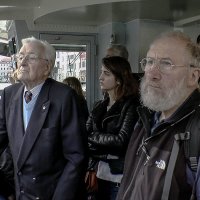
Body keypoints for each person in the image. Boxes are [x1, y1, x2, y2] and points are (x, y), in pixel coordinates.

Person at [116, 31, 200, 200]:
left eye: (166, 64)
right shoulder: (144, 120)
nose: (152, 74)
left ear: (193, 76)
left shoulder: (195, 131)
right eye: (149, 62)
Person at [0, 37, 86, 200]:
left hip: (52, 194)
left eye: (31, 57)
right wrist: (6, 189)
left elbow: (76, 157)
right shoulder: (8, 95)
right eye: (20, 56)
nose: (23, 62)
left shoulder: (64, 97)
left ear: (47, 67)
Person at [86, 56, 140, 200]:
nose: (100, 77)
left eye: (106, 73)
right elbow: (83, 134)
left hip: (118, 177)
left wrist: (92, 138)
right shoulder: (99, 106)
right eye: (101, 72)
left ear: (119, 79)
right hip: (98, 174)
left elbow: (121, 140)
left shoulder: (131, 106)